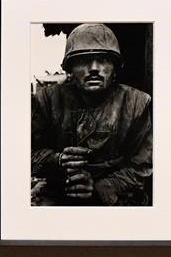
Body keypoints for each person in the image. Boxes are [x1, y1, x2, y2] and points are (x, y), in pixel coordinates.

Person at [30, 23, 152, 206]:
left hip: (119, 197)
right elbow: (27, 154)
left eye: (103, 60)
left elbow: (142, 166)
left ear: (115, 67)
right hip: (60, 191)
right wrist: (58, 160)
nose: (94, 68)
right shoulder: (46, 100)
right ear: (69, 68)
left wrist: (100, 188)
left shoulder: (137, 103)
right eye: (83, 60)